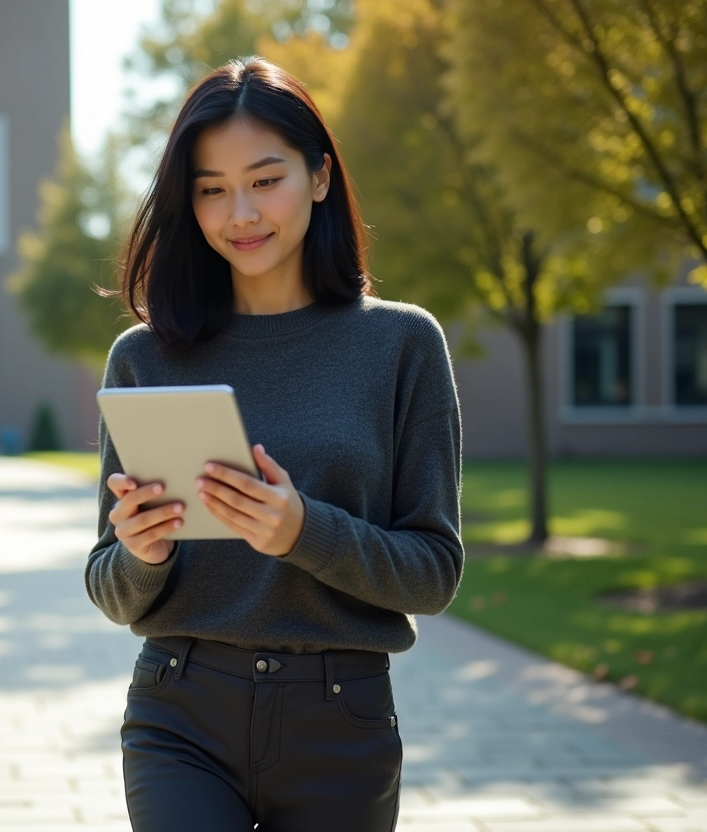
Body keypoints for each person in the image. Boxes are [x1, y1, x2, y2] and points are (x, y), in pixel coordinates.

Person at [85, 57, 463, 831]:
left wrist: (302, 531)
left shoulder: (401, 345)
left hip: (341, 721)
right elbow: (108, 585)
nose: (240, 214)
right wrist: (141, 554)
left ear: (319, 177)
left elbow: (433, 573)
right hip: (178, 711)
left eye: (265, 179)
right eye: (211, 189)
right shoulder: (145, 358)